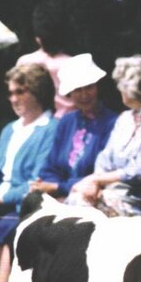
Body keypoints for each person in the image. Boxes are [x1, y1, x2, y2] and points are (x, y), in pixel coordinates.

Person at [66, 55, 141, 216]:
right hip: (110, 190)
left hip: (137, 198)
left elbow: (140, 171)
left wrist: (97, 180)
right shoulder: (125, 118)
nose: (119, 89)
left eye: (121, 84)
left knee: (80, 205)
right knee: (78, 196)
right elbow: (105, 157)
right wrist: (95, 183)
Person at [0, 64, 58, 282]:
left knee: (5, 229)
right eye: (11, 93)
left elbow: (36, 181)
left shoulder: (50, 129)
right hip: (1, 197)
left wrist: (2, 198)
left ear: (38, 92)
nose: (14, 98)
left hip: (25, 201)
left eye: (21, 92)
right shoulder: (8, 130)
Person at [32, 53, 117, 199]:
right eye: (78, 89)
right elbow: (50, 167)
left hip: (91, 199)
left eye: (89, 87)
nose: (84, 95)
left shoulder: (112, 123)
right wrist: (50, 185)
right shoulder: (66, 122)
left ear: (97, 87)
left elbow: (103, 175)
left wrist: (58, 187)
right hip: (59, 197)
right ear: (70, 93)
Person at [16, 2, 74, 117]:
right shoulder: (73, 63)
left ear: (37, 38)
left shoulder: (24, 62)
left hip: (36, 122)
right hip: (68, 124)